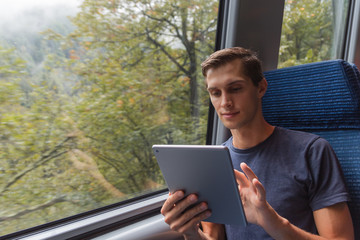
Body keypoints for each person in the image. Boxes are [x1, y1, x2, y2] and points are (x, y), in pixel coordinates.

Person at [160, 47, 355, 240]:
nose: (225, 102)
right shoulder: (211, 164)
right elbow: (213, 237)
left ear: (261, 88)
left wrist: (273, 223)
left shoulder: (312, 151)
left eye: (235, 89)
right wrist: (191, 232)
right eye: (216, 93)